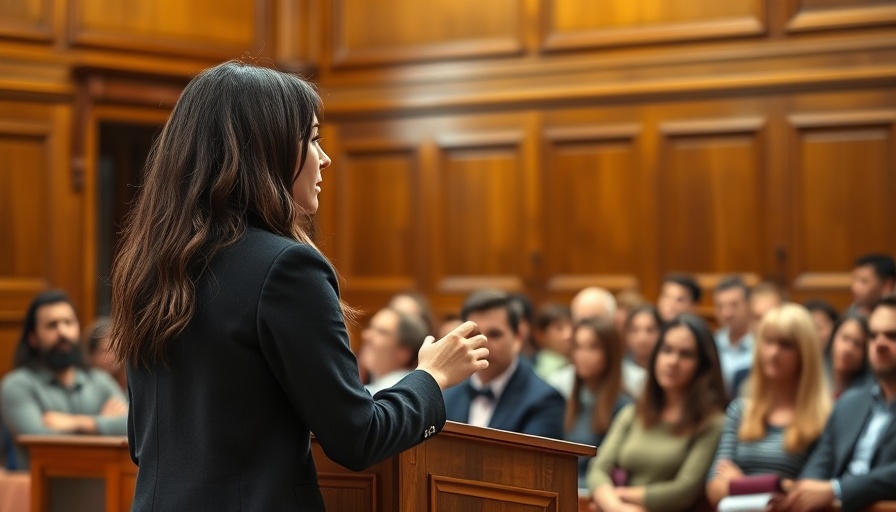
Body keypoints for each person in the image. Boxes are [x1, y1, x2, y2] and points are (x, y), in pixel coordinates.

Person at [108, 61, 489, 511]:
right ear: (265, 151)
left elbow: (143, 441)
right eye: (311, 139)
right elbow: (358, 437)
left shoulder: (150, 265)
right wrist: (431, 377)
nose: (324, 158)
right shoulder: (287, 268)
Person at [586, 314, 728, 512]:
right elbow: (599, 468)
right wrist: (615, 506)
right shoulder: (633, 412)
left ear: (703, 365)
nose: (672, 361)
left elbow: (684, 490)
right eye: (666, 350)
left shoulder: (713, 423)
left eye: (685, 354)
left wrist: (619, 497)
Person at [768, 294, 896, 512]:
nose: (880, 343)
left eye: (892, 335)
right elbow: (820, 462)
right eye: (874, 336)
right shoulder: (849, 402)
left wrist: (836, 489)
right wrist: (806, 490)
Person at [705, 304, 831, 512]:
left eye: (785, 345)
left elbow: (802, 496)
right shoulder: (740, 410)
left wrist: (740, 483)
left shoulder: (824, 418)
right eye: (768, 342)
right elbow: (714, 488)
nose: (773, 353)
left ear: (804, 352)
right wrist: (777, 485)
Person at [0, 291, 128, 469]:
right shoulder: (17, 385)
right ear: (33, 338)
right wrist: (103, 424)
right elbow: (39, 442)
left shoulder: (100, 381)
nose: (62, 331)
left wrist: (79, 423)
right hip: (41, 491)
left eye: (69, 322)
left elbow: (131, 427)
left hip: (101, 489)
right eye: (52, 325)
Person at [443, 290, 565, 439]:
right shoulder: (447, 394)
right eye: (475, 335)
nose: (483, 343)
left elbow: (533, 462)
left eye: (494, 334)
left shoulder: (544, 400)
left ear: (518, 338)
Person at [565, 317, 631, 488]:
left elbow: (615, 473)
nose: (583, 355)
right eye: (578, 347)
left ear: (610, 353)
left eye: (593, 347)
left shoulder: (624, 407)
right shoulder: (570, 400)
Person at [358, 307, 430, 395]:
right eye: (370, 327)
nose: (366, 336)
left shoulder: (393, 396)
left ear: (404, 352)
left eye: (382, 332)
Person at [713, 277, 754, 395]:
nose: (727, 313)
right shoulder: (710, 344)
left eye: (734, 305)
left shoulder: (763, 345)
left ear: (748, 305)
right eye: (720, 306)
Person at [826, 313, 873, 399]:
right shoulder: (814, 377)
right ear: (833, 337)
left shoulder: (869, 393)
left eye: (857, 344)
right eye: (845, 338)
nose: (848, 349)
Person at [622, 305, 662, 398]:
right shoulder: (618, 373)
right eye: (635, 330)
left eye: (650, 330)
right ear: (626, 335)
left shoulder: (667, 371)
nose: (642, 338)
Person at [532, 302, 573, 384]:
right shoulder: (536, 369)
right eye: (559, 328)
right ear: (540, 335)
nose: (568, 335)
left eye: (572, 328)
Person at [84, 317, 127, 391]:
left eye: (114, 350)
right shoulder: (84, 388)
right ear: (91, 354)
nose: (111, 357)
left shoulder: (128, 384)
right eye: (104, 351)